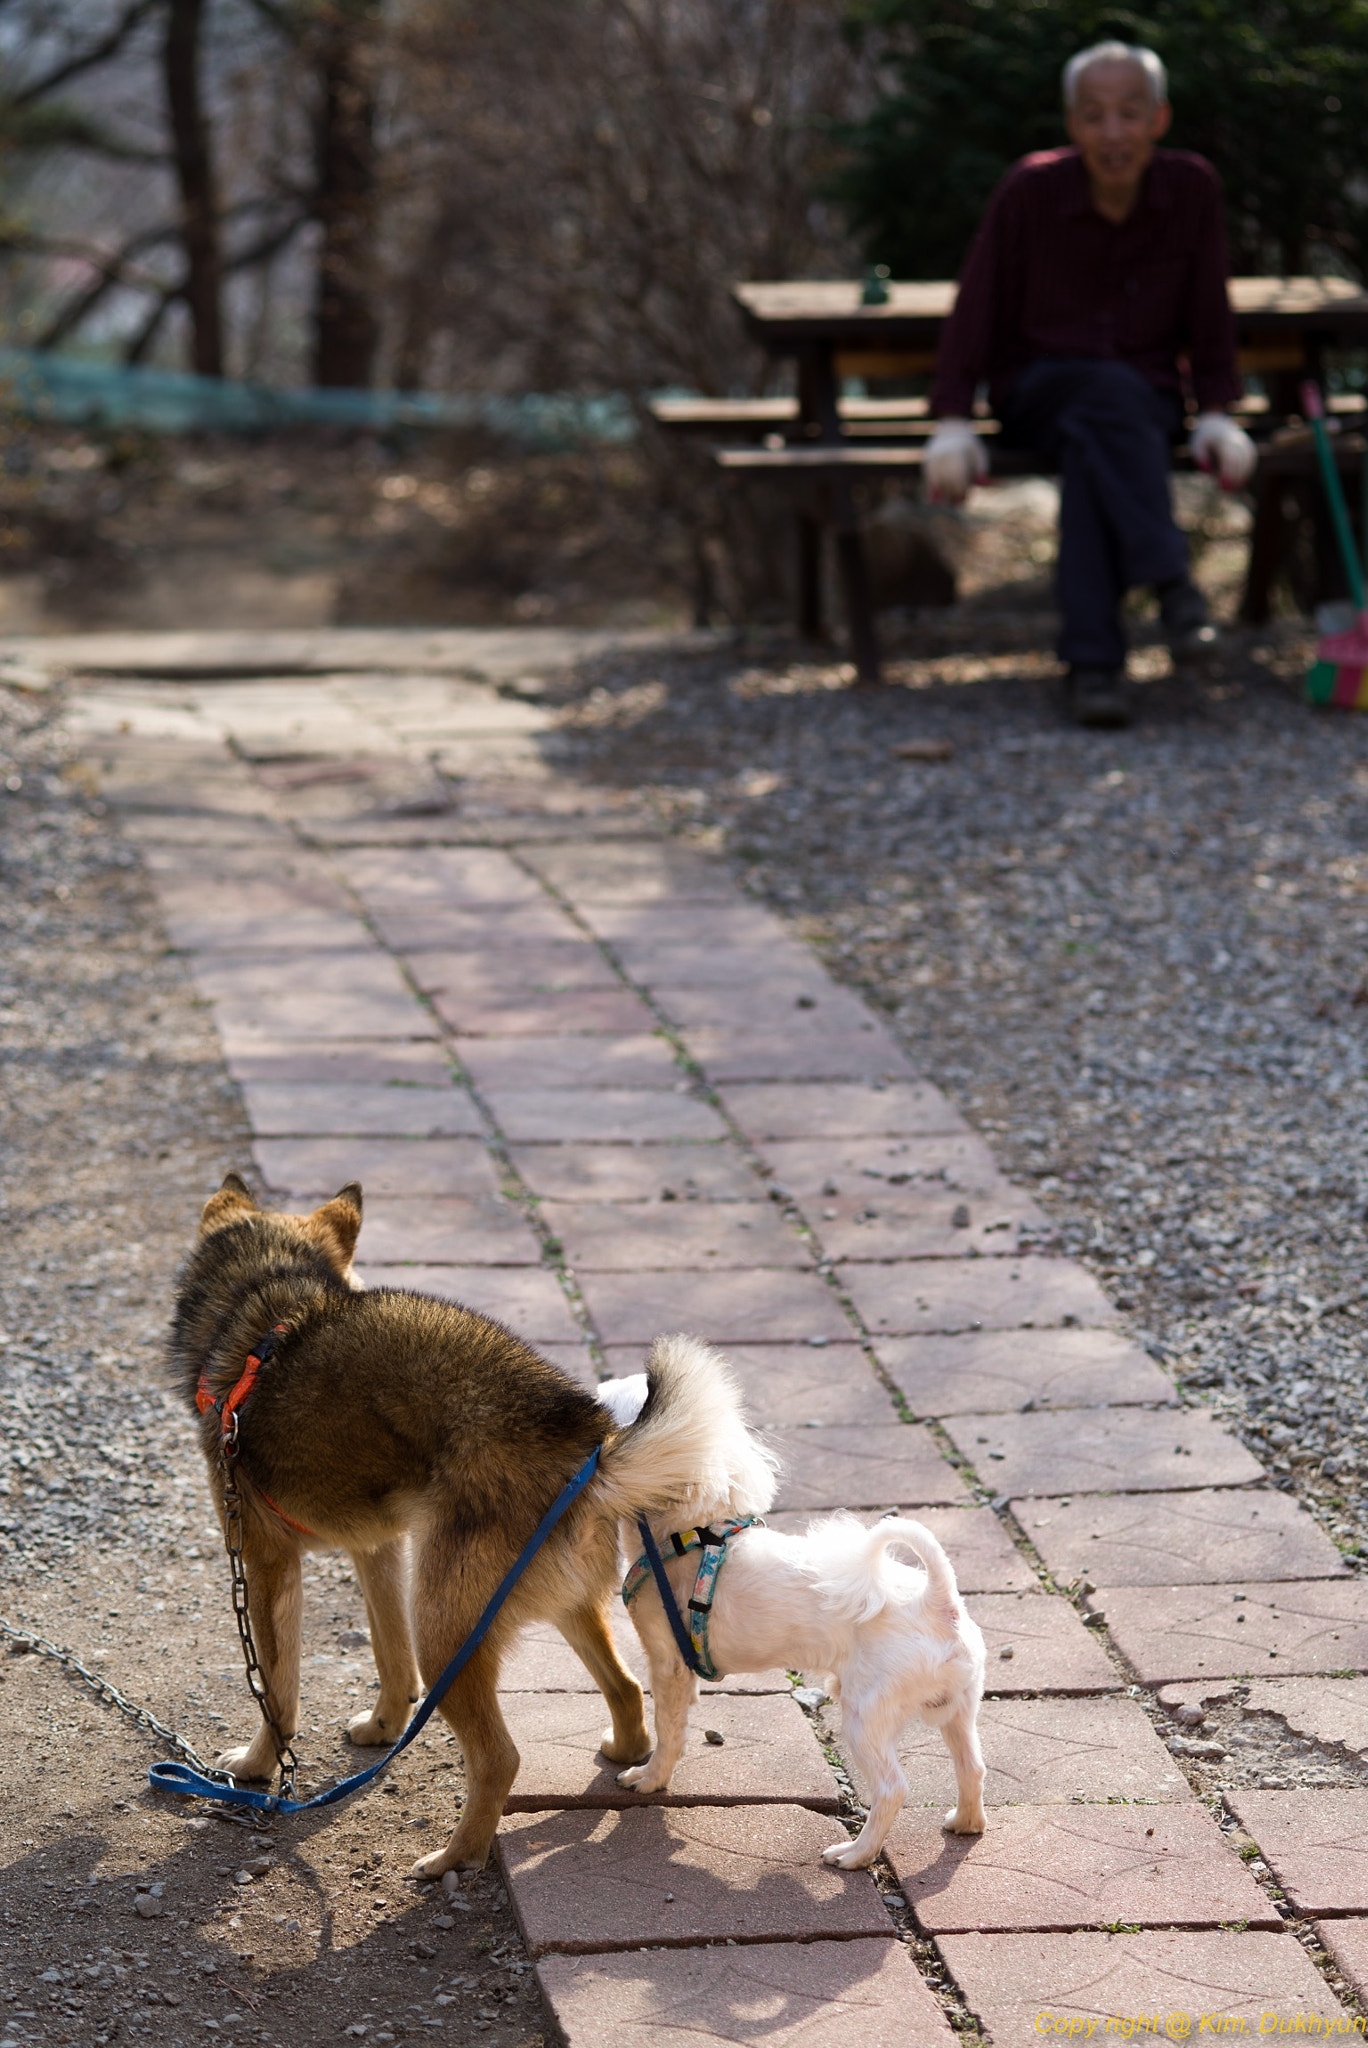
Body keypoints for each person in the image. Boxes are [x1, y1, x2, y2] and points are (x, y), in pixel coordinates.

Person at [924, 41, 1255, 728]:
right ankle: (1172, 585)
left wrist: (1220, 411)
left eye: (1129, 113)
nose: (1113, 133)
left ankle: (1094, 667)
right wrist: (952, 420)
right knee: (1102, 399)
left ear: (1159, 119)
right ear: (1072, 125)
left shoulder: (1191, 189)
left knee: (1101, 432)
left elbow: (1209, 308)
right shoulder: (1028, 191)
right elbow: (976, 308)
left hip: (1142, 404)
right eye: (1095, 116)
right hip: (1039, 392)